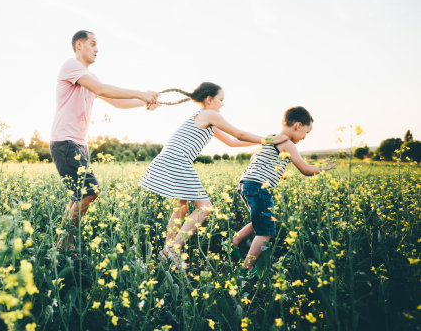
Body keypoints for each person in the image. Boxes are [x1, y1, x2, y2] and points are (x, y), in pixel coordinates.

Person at [139, 82, 287, 269]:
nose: (222, 104)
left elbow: (232, 142)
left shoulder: (205, 118)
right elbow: (239, 133)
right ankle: (172, 250)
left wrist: (261, 144)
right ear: (209, 99)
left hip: (170, 159)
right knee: (204, 208)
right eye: (220, 100)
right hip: (178, 160)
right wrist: (269, 139)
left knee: (181, 209)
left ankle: (165, 253)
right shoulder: (209, 114)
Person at [50, 30, 159, 250]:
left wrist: (144, 103)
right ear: (79, 45)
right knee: (91, 192)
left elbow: (115, 101)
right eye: (92, 44)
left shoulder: (90, 79)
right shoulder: (71, 66)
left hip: (79, 144)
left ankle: (64, 246)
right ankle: (63, 246)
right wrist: (141, 93)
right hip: (65, 141)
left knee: (77, 197)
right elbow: (101, 89)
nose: (97, 49)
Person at [229, 106, 335, 278]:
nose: (305, 137)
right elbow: (306, 170)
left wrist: (277, 172)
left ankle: (233, 242)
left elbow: (255, 159)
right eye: (306, 132)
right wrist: (324, 167)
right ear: (298, 126)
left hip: (246, 184)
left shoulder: (270, 139)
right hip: (259, 186)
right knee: (266, 231)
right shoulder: (287, 144)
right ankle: (246, 269)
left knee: (259, 221)